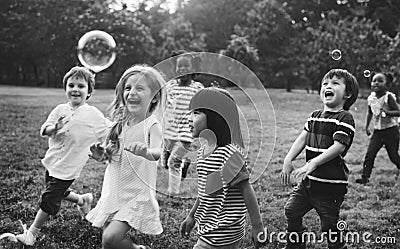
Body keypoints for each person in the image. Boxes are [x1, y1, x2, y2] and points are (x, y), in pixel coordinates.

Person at [15, 66, 112, 246]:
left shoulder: (92, 114)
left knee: (49, 197)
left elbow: (107, 130)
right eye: (71, 85)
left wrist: (120, 132)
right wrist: (55, 128)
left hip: (70, 165)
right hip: (52, 162)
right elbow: (45, 129)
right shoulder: (60, 109)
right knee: (58, 191)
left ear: (89, 92)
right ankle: (83, 199)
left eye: (81, 86)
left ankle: (32, 234)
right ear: (66, 88)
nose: (75, 89)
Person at [86, 65, 165, 249]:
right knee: (109, 241)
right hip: (114, 191)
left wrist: (146, 152)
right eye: (128, 88)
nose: (132, 93)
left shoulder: (152, 125)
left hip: (137, 194)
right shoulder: (120, 124)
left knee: (110, 237)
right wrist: (101, 155)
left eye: (139, 88)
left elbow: (157, 152)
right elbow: (113, 155)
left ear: (154, 98)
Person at [280, 68, 359, 249]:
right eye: (325, 84)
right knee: (291, 210)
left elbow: (339, 146)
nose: (327, 86)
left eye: (334, 83)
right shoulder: (315, 115)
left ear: (347, 93)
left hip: (330, 186)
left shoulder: (344, 118)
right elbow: (302, 138)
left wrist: (314, 162)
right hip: (308, 183)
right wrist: (288, 159)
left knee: (329, 226)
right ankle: (296, 244)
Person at [180, 87, 265, 249]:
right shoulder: (203, 152)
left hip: (223, 230)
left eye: (196, 113)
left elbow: (246, 190)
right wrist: (192, 216)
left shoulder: (228, 154)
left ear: (216, 117)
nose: (189, 118)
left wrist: (258, 226)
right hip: (209, 226)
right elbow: (207, 190)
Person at [160, 50, 204, 195]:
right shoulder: (170, 86)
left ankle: (173, 193)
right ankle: (185, 164)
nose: (182, 69)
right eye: (179, 67)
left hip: (186, 131)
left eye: (186, 67)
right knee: (165, 163)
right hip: (168, 130)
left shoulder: (197, 88)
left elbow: (205, 103)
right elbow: (162, 103)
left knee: (173, 162)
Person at [355, 72, 400, 184]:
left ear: (387, 84)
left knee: (393, 156)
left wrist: (389, 112)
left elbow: (398, 112)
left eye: (380, 81)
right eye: (374, 81)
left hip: (391, 131)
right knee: (370, 154)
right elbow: (370, 113)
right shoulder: (371, 98)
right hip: (377, 132)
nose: (376, 83)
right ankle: (365, 177)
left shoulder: (388, 97)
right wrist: (367, 126)